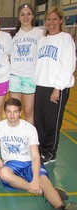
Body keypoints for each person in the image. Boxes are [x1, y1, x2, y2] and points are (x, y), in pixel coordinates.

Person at [0, 98, 77, 210]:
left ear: (20, 112)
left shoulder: (29, 128)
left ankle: (61, 209)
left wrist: (36, 178)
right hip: (12, 163)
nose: (12, 115)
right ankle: (42, 192)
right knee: (3, 173)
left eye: (15, 111)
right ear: (4, 112)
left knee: (44, 181)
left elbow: (36, 156)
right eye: (9, 111)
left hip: (30, 161)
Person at [34, 6, 75, 164]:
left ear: (61, 20)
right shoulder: (42, 39)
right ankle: (41, 149)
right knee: (40, 122)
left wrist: (57, 88)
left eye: (54, 19)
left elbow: (68, 66)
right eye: (48, 19)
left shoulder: (66, 39)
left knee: (52, 123)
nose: (51, 23)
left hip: (57, 88)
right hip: (41, 86)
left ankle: (50, 153)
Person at [10, 4, 43, 125]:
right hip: (15, 77)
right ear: (18, 17)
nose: (25, 17)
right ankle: (15, 137)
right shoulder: (13, 35)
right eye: (22, 14)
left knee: (29, 111)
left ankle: (30, 139)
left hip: (31, 77)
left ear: (33, 16)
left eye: (28, 14)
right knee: (14, 110)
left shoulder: (40, 33)